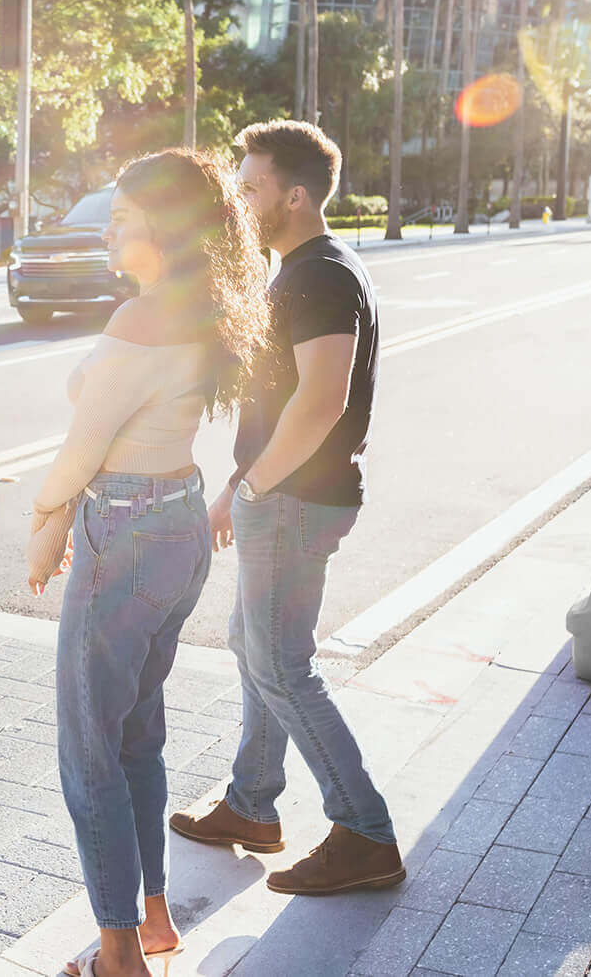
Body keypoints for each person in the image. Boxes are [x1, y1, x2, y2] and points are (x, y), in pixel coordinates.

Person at [24, 149, 271, 977]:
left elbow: (82, 448)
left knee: (89, 748)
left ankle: (118, 954)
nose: (109, 228)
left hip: (124, 529)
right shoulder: (198, 309)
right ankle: (153, 919)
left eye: (124, 215)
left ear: (162, 227)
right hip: (177, 524)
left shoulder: (138, 320)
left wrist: (46, 519)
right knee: (136, 735)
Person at [169, 121, 406, 898]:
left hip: (298, 497)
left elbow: (321, 399)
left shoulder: (320, 276)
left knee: (279, 660)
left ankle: (364, 831)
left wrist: (253, 484)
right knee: (255, 644)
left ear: (294, 196)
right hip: (292, 493)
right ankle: (251, 804)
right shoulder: (309, 269)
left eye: (251, 185)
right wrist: (245, 483)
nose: (240, 197)